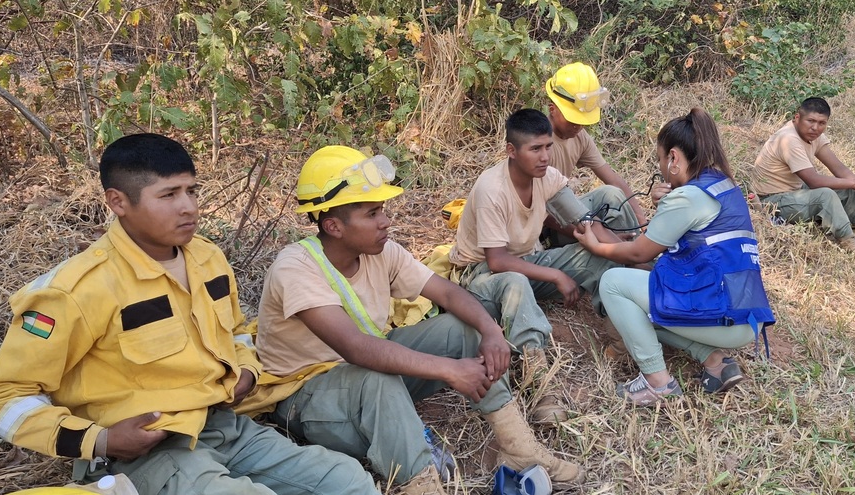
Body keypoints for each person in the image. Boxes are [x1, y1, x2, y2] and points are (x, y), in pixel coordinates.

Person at [0, 134, 377, 494]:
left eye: (192, 190)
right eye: (168, 195)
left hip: (222, 426)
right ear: (118, 202)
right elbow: (5, 395)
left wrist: (246, 370)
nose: (188, 207)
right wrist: (101, 439)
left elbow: (237, 333)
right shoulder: (76, 290)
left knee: (349, 482)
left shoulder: (207, 258)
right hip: (146, 453)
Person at [238, 145, 581, 494]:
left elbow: (446, 293)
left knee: (461, 329)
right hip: (307, 396)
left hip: (365, 374)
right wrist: (449, 370)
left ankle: (517, 446)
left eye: (382, 210)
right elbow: (356, 349)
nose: (385, 221)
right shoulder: (295, 268)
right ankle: (420, 483)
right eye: (372, 213)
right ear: (333, 226)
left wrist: (490, 330)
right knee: (376, 379)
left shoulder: (380, 251)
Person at [573, 108, 776, 406]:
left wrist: (595, 245)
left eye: (660, 160)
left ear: (674, 158)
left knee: (614, 284)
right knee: (643, 307)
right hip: (746, 314)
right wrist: (666, 203)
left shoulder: (688, 198)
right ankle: (715, 361)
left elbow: (640, 251)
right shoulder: (722, 184)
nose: (661, 166)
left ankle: (658, 383)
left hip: (724, 314)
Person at [448, 108, 621, 421]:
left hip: (529, 260)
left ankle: (622, 332)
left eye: (548, 147)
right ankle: (540, 384)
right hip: (481, 277)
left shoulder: (547, 177)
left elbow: (584, 222)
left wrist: (632, 253)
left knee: (596, 254)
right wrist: (556, 275)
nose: (544, 157)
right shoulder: (492, 189)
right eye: (535, 149)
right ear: (511, 151)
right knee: (515, 280)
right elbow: (497, 261)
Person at [749, 96, 855, 254]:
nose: (815, 127)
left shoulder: (813, 136)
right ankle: (852, 247)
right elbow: (813, 181)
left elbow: (840, 170)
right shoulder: (789, 139)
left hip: (793, 191)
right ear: (797, 118)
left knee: (844, 186)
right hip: (771, 201)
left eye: (821, 123)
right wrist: (853, 183)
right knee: (826, 194)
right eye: (810, 121)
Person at [543, 62, 648, 244]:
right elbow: (543, 214)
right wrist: (601, 239)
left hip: (569, 214)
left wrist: (641, 219)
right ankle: (625, 256)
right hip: (548, 225)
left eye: (583, 121)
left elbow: (612, 178)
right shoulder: (538, 145)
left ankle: (636, 250)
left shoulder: (579, 137)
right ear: (553, 109)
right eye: (573, 120)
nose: (579, 126)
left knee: (612, 194)